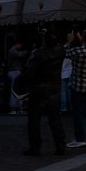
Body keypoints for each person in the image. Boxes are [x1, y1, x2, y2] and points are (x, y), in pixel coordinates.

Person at [23, 28, 67, 156]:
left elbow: (29, 71)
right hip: (54, 88)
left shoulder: (38, 54)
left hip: (39, 88)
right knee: (55, 119)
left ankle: (35, 146)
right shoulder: (60, 51)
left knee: (34, 120)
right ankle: (60, 145)